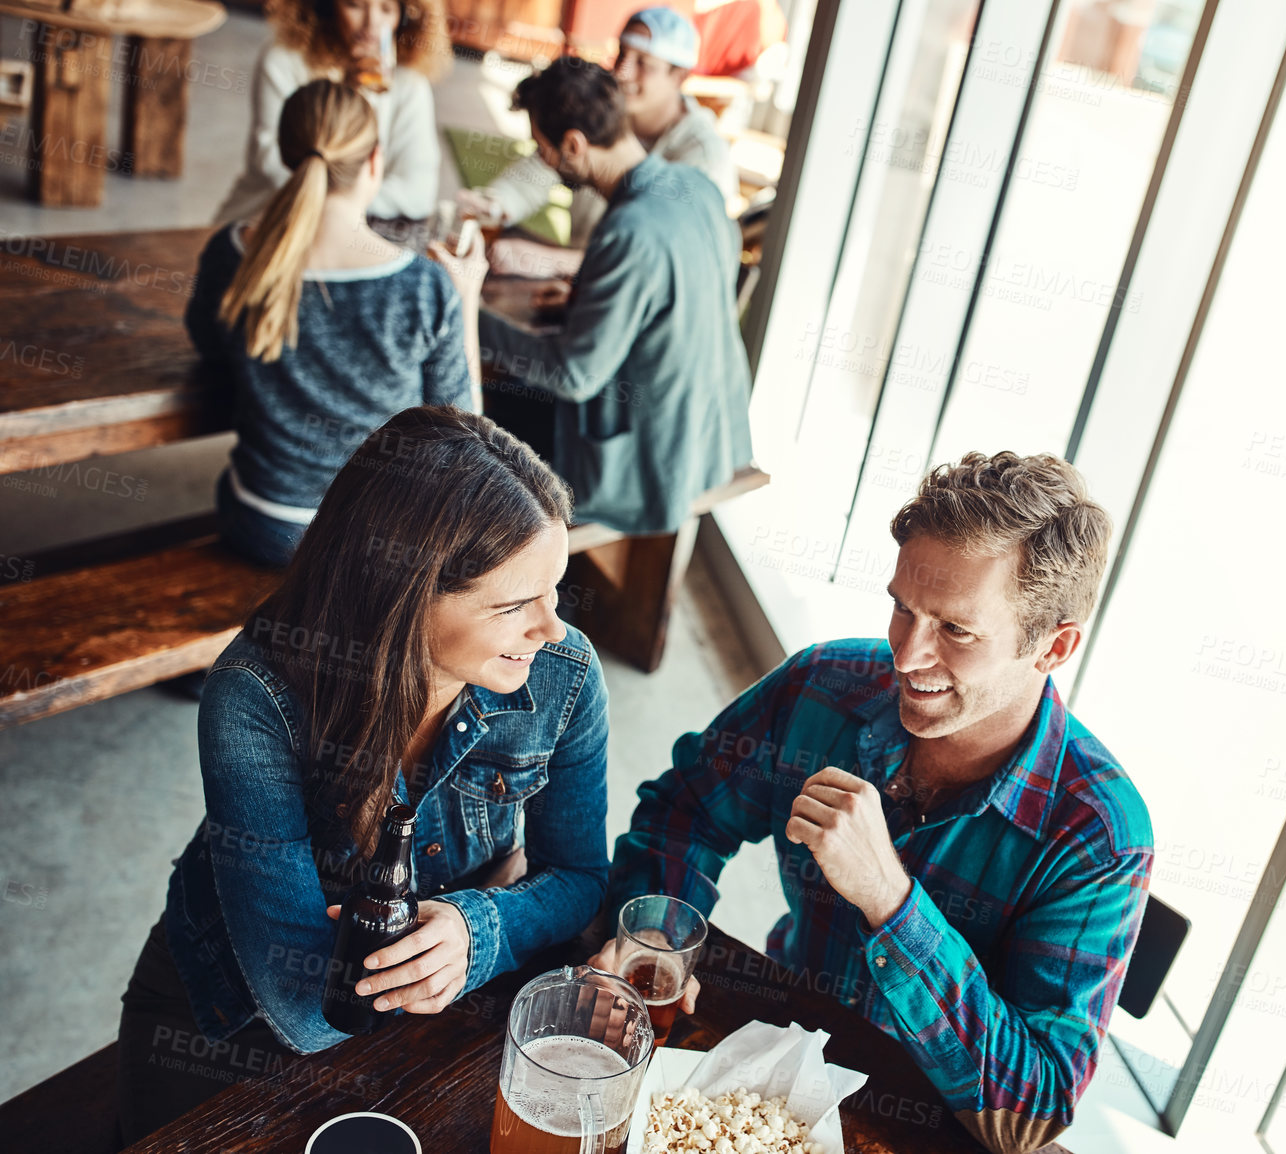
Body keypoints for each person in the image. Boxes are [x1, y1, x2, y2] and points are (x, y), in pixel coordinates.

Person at [594, 452, 1156, 1154]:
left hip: (933, 1120)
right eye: (902, 607)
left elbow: (1033, 1110)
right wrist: (658, 940)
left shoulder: (1100, 833)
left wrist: (891, 902)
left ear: (1055, 645)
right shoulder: (823, 684)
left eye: (955, 631)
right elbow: (688, 809)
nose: (907, 654)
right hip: (776, 1048)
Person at [116, 406, 612, 1141]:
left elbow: (581, 877)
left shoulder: (564, 675)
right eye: (513, 606)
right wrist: (470, 943)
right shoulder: (255, 699)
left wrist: (480, 931)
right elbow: (300, 1003)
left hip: (443, 989)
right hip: (232, 1007)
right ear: (405, 599)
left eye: (555, 589)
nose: (553, 628)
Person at [187, 79, 485, 568]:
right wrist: (466, 296)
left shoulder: (232, 252)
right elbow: (466, 433)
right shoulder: (422, 286)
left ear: (287, 158)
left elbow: (208, 343)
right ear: (374, 162)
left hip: (262, 523)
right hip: (374, 543)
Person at [478, 58, 753, 536]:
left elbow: (573, 374)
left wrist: (468, 312)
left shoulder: (628, 230)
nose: (544, 161)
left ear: (574, 145)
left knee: (468, 415)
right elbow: (681, 299)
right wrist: (584, 303)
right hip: (712, 436)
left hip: (649, 462)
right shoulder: (697, 187)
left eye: (543, 149)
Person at [466, 6, 740, 280]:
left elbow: (667, 260)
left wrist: (552, 261)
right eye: (622, 53)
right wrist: (495, 203)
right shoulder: (608, 109)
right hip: (581, 285)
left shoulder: (704, 157)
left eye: (643, 62)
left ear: (680, 76)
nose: (622, 72)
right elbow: (550, 159)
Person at [214, 0, 449, 226]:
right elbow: (270, 163)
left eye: (387, 8)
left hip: (353, 232)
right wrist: (345, 94)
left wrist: (338, 206)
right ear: (326, 4)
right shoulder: (284, 60)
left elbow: (418, 193)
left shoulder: (410, 83)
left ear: (406, 14)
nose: (372, 24)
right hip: (266, 217)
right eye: (354, 5)